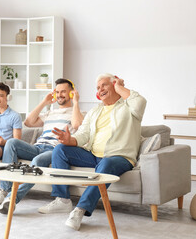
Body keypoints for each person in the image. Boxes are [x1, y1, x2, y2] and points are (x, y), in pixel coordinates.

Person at [38, 73, 147, 231]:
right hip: (93, 156)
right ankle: (62, 200)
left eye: (104, 85)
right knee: (60, 149)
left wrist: (119, 87)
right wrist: (70, 140)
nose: (100, 89)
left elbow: (140, 101)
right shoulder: (95, 111)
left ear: (114, 84)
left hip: (119, 157)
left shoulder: (129, 107)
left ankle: (80, 210)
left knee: (107, 162)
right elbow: (83, 134)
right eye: (97, 87)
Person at [0, 78, 84, 214]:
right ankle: (4, 190)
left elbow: (77, 125)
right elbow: (28, 122)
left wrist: (76, 103)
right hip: (38, 147)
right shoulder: (50, 113)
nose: (60, 95)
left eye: (63, 92)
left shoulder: (78, 113)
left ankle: (12, 199)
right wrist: (44, 102)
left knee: (37, 162)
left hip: (55, 150)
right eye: (57, 92)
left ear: (72, 93)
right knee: (11, 142)